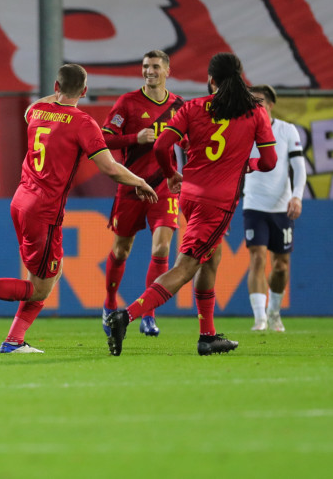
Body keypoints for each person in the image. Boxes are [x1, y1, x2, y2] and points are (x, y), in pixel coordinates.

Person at [0, 64, 158, 353]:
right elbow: (110, 167)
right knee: (40, 287)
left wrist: (57, 95)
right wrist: (140, 181)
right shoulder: (83, 122)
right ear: (85, 91)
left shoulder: (37, 111)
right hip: (44, 210)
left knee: (49, 274)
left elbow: (34, 107)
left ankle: (14, 340)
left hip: (21, 200)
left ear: (56, 87)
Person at [106, 52, 277, 357]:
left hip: (189, 196)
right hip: (218, 203)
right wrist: (248, 164)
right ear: (240, 77)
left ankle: (207, 336)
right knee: (185, 267)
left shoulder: (193, 107)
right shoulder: (255, 112)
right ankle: (126, 316)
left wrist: (171, 174)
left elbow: (162, 145)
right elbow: (269, 161)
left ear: (211, 80)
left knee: (211, 258)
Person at [99, 49, 184, 338]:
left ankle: (148, 315)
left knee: (161, 249)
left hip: (164, 186)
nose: (150, 71)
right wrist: (133, 138)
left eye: (156, 66)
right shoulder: (127, 103)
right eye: (146, 66)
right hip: (132, 184)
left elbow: (190, 142)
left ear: (167, 71)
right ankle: (110, 304)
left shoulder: (178, 106)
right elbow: (105, 139)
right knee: (121, 250)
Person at [243, 85, 306, 332]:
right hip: (253, 204)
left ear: (270, 105)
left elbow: (299, 167)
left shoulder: (286, 130)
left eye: (258, 101)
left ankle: (274, 312)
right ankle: (259, 318)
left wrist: (297, 197)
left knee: (281, 266)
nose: (254, 106)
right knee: (257, 258)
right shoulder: (243, 130)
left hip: (281, 207)